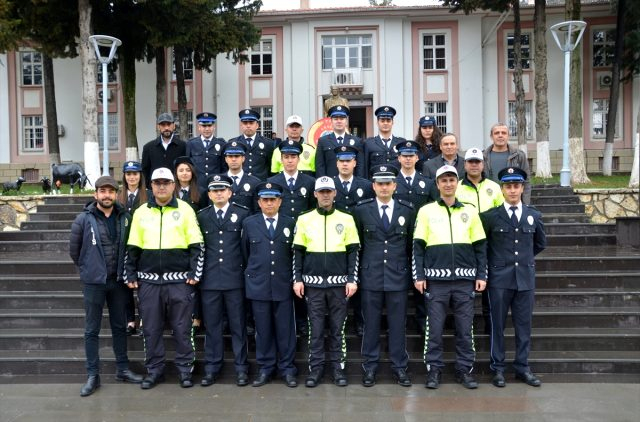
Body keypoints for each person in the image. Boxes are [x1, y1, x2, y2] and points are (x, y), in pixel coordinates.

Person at [124, 167, 204, 390]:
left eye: (166, 182)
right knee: (150, 328)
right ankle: (155, 370)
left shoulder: (186, 209)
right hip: (148, 282)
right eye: (157, 183)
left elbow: (197, 245)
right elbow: (132, 247)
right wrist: (129, 272)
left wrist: (194, 273)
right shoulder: (141, 212)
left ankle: (185, 371)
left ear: (173, 185)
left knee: (182, 328)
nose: (161, 186)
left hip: (179, 282)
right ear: (151, 186)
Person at [413, 165, 487, 390]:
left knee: (465, 329)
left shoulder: (470, 211)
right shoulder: (426, 211)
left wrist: (481, 274)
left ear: (457, 183)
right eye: (443, 180)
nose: (448, 184)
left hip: (465, 281)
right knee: (434, 329)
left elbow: (481, 246)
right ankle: (433, 370)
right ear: (437, 184)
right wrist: (419, 275)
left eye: (451, 180)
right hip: (436, 281)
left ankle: (464, 370)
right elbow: (417, 246)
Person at [69, 175, 143, 397]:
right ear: (96, 194)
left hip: (118, 282)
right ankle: (93, 375)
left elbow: (131, 248)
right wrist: (88, 269)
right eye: (103, 191)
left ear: (116, 194)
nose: (107, 195)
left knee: (119, 327)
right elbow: (75, 251)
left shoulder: (125, 217)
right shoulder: (83, 219)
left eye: (111, 191)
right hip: (94, 283)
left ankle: (122, 369)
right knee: (91, 329)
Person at [480, 167, 546, 388]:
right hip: (499, 280)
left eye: (516, 186)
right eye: (508, 186)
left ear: (522, 188)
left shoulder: (534, 216)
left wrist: (524, 262)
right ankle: (497, 368)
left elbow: (539, 244)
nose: (512, 190)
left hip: (525, 279)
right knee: (497, 325)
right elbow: (485, 247)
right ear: (502, 189)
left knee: (523, 326)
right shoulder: (490, 217)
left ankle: (522, 367)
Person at [293, 176, 360, 388]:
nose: (325, 195)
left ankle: (338, 370)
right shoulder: (304, 219)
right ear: (315, 194)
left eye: (328, 191)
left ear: (335, 193)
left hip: (339, 285)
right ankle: (316, 370)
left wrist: (352, 279)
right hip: (312, 285)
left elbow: (353, 252)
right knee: (316, 329)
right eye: (321, 192)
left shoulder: (346, 218)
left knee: (337, 329)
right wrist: (297, 279)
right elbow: (297, 252)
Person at [353, 165, 415, 388]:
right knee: (371, 325)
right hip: (371, 277)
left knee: (398, 324)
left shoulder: (407, 210)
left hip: (397, 277)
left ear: (395, 186)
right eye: (380, 184)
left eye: (388, 183)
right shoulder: (361, 210)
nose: (384, 187)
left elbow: (410, 246)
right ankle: (370, 367)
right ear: (374, 186)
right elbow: (357, 244)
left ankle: (400, 367)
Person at [241, 182, 298, 388]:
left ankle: (287, 369)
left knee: (286, 331)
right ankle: (265, 368)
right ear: (259, 202)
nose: (269, 203)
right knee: (263, 330)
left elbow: (294, 254)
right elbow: (245, 253)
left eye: (273, 199)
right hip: (259, 286)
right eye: (265, 200)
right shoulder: (249, 223)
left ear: (280, 201)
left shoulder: (290, 223)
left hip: (283, 285)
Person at [197, 174, 251, 387]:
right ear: (209, 194)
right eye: (214, 190)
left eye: (223, 189)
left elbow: (246, 250)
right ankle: (212, 367)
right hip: (210, 281)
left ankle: (241, 368)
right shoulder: (201, 216)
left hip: (235, 280)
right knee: (213, 327)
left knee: (238, 326)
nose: (219, 193)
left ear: (230, 192)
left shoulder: (243, 214)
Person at [456, 147, 504, 335]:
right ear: (465, 164)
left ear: (483, 164)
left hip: (491, 245)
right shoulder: (457, 187)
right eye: (471, 162)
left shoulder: (493, 187)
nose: (474, 165)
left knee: (489, 290)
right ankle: (465, 331)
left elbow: (501, 215)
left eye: (477, 162)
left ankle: (489, 330)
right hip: (465, 245)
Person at [392, 140, 437, 333]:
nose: (408, 159)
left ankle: (422, 327)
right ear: (399, 158)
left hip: (422, 242)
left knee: (422, 287)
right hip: (397, 242)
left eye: (411, 155)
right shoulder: (391, 183)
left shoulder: (427, 184)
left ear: (417, 158)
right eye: (404, 156)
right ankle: (397, 326)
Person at [118, 161, 148, 335]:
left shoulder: (148, 196)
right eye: (129, 174)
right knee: (125, 287)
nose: (132, 177)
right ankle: (130, 321)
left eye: (135, 174)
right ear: (124, 176)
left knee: (143, 287)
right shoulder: (118, 197)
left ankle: (144, 319)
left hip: (143, 246)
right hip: (123, 247)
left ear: (140, 176)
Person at [483, 123, 532, 204]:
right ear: (491, 136)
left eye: (504, 133)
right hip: (489, 202)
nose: (500, 135)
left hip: (512, 202)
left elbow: (526, 181)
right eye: (497, 133)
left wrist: (525, 204)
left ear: (508, 136)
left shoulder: (519, 156)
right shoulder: (483, 157)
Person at [267, 140, 316, 219]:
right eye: (286, 157)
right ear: (281, 160)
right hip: (281, 226)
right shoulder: (272, 182)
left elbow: (313, 208)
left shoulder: (310, 181)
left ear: (298, 159)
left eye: (293, 157)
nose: (290, 161)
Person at [315, 105, 364, 178]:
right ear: (331, 121)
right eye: (336, 119)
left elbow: (360, 166)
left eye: (342, 118)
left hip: (351, 185)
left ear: (346, 121)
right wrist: (324, 185)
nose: (339, 121)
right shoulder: (323, 141)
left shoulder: (357, 141)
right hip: (330, 184)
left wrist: (359, 183)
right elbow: (320, 166)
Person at [141, 113, 186, 188]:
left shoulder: (183, 146)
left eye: (169, 124)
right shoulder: (148, 147)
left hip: (176, 189)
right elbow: (145, 171)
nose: (166, 128)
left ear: (174, 126)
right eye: (163, 125)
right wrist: (148, 189)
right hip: (155, 190)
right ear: (158, 127)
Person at [229, 109, 274, 181]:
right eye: (245, 123)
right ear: (241, 125)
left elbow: (271, 167)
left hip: (260, 185)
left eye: (251, 123)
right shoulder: (233, 143)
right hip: (240, 184)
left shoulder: (268, 143)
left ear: (257, 125)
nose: (248, 126)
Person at [186, 112, 225, 191]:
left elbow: (224, 167)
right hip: (197, 186)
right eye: (204, 126)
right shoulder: (191, 143)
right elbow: (188, 165)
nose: (207, 129)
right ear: (199, 127)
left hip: (215, 186)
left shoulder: (221, 144)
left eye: (209, 126)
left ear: (214, 127)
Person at [362, 106, 404, 177]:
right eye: (382, 120)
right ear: (377, 122)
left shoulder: (401, 143)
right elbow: (365, 168)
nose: (385, 123)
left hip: (397, 184)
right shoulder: (369, 143)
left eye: (388, 120)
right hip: (376, 184)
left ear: (393, 122)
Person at [333, 145, 375, 214]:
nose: (345, 164)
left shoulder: (366, 186)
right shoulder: (330, 185)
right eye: (341, 161)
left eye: (348, 161)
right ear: (337, 163)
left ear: (354, 163)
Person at [223, 141, 261, 214]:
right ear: (226, 159)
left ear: (243, 158)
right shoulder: (220, 181)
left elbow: (257, 210)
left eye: (237, 156)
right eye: (230, 156)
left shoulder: (254, 182)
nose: (233, 159)